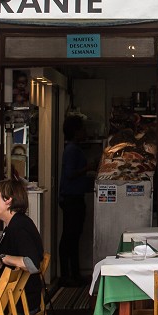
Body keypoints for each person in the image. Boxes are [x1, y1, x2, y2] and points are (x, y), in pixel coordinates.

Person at [0, 178, 46, 314]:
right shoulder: (16, 224)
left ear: (8, 200)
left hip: (14, 306)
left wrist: (3, 258)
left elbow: (32, 264)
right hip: (17, 301)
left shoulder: (19, 227)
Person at [58, 122, 92, 287]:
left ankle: (74, 274)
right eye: (83, 128)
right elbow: (70, 174)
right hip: (72, 197)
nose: (85, 132)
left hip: (73, 196)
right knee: (70, 237)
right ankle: (67, 276)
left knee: (73, 237)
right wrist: (88, 167)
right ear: (76, 131)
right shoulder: (72, 150)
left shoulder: (73, 149)